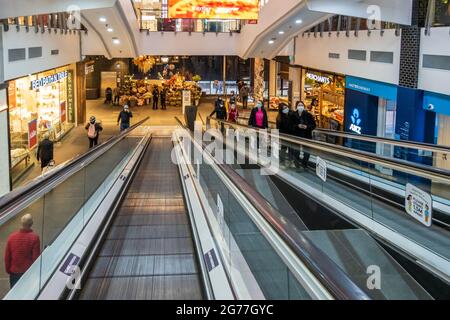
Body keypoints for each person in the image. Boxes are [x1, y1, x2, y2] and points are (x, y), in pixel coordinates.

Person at [4, 214, 41, 289]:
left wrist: (9, 270)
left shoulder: (11, 237)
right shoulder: (35, 238)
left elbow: (7, 257)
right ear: (31, 224)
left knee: (15, 293)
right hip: (28, 273)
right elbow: (35, 258)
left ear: (21, 223)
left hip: (14, 272)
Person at [291, 101, 317, 168]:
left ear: (304, 106)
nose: (300, 106)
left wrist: (307, 127)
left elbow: (314, 125)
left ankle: (304, 164)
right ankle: (297, 164)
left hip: (306, 135)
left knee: (307, 151)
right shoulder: (293, 115)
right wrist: (297, 126)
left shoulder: (308, 115)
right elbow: (290, 125)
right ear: (296, 106)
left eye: (301, 105)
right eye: (299, 105)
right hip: (297, 135)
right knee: (296, 151)